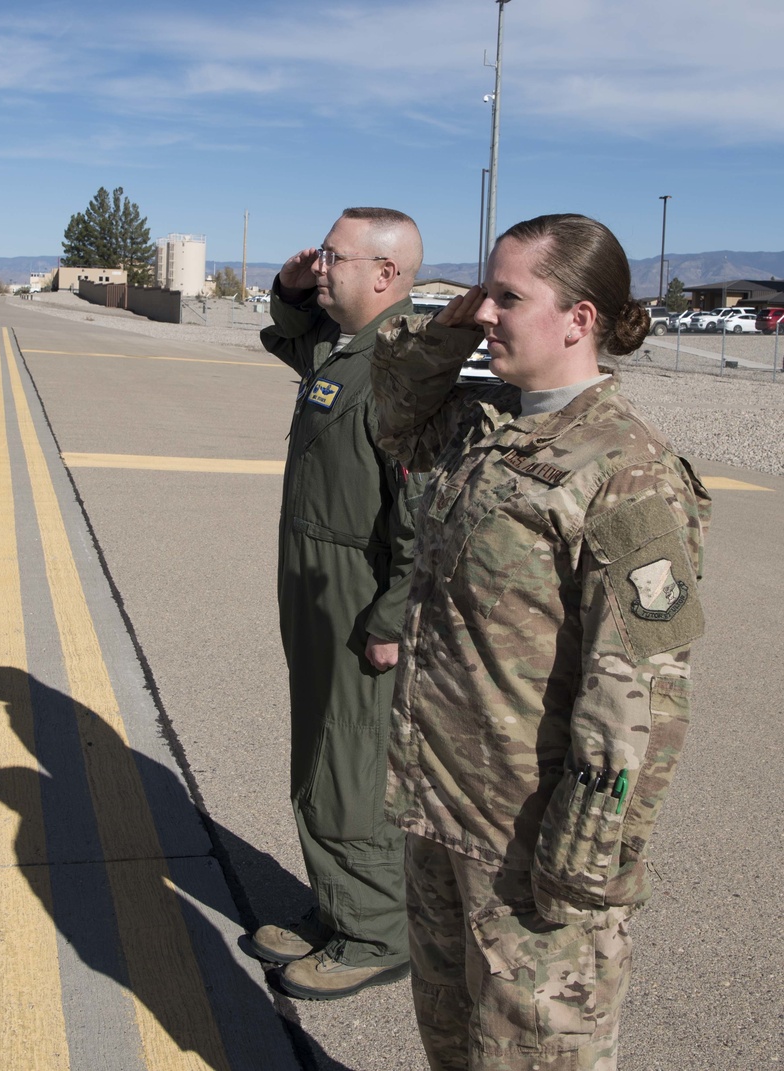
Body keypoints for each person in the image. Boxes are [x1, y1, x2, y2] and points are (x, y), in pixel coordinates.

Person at [370, 214, 711, 1068]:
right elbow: (392, 415)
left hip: (532, 845)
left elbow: (644, 686)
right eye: (486, 292)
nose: (487, 312)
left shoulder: (628, 471)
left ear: (579, 318)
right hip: (441, 806)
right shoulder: (485, 425)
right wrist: (456, 321)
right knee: (450, 1042)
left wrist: (586, 858)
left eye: (510, 297)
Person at [250, 207, 426, 1000]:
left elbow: (421, 517)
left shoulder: (408, 370)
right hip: (318, 585)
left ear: (385, 275)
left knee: (349, 764)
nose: (320, 266)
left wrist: (390, 618)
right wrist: (290, 288)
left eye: (334, 256)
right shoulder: (345, 347)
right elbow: (288, 338)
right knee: (318, 751)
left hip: (361, 597)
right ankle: (337, 903)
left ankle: (375, 931)